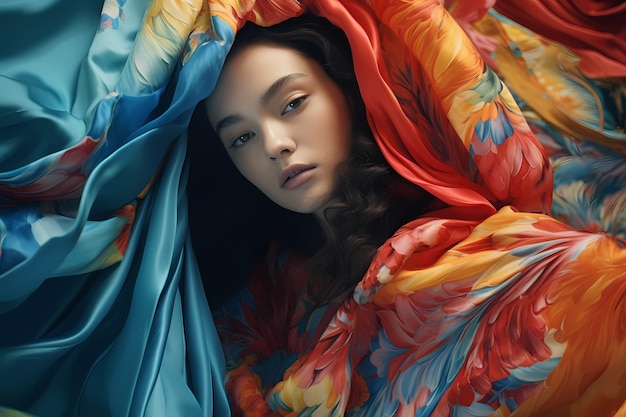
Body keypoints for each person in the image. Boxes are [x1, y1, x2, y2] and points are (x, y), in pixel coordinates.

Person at [197, 11, 626, 417]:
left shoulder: (525, 267)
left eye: (292, 103)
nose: (274, 144)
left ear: (349, 90)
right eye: (241, 137)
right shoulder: (244, 317)